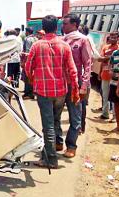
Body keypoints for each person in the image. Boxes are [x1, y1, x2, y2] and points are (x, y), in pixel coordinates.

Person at [25, 15, 79, 169]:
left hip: (43, 91)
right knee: (55, 122)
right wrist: (75, 89)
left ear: (43, 27)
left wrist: (32, 79)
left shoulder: (37, 46)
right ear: (57, 27)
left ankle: (50, 160)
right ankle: (48, 153)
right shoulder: (64, 45)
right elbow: (72, 70)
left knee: (48, 125)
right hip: (61, 91)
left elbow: (28, 68)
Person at [61, 13, 92, 158]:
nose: (63, 26)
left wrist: (84, 85)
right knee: (55, 115)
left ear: (74, 24)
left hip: (76, 83)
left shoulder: (83, 40)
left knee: (75, 116)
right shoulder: (61, 40)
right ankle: (57, 142)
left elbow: (87, 64)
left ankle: (71, 145)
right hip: (61, 83)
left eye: (65, 23)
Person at [98, 33, 119, 120]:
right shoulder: (105, 47)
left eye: (115, 37)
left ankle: (114, 116)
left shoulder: (118, 48)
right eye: (111, 37)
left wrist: (105, 58)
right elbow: (101, 60)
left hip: (115, 76)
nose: (112, 39)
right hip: (105, 74)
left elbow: (104, 58)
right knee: (105, 95)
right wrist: (99, 72)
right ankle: (105, 113)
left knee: (114, 97)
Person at [22, 27, 38, 99]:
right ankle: (32, 91)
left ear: (27, 32)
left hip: (29, 59)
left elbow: (27, 52)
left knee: (27, 76)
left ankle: (28, 93)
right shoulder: (36, 39)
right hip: (36, 60)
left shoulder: (27, 39)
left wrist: (24, 61)